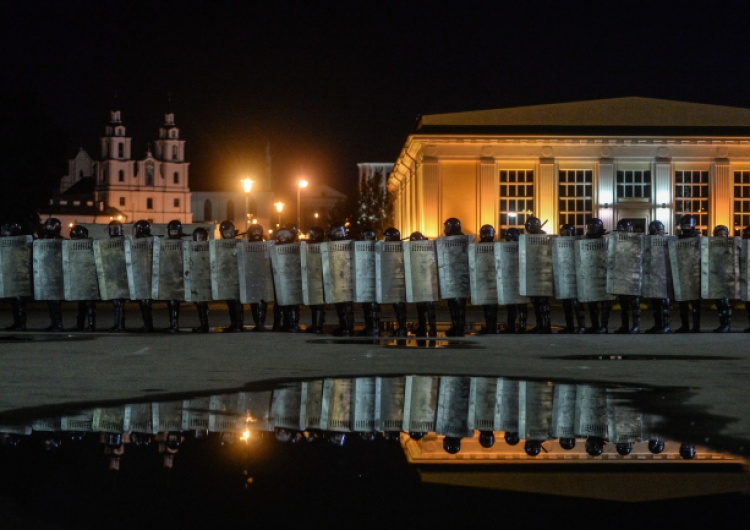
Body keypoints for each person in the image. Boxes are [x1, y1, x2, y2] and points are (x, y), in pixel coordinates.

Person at [613, 219, 641, 334]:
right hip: (621, 274)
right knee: (623, 304)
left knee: (634, 303)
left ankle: (636, 326)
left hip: (633, 275)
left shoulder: (637, 240)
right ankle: (625, 325)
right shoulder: (616, 240)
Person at [524, 216, 551, 334]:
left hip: (543, 275)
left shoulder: (545, 239)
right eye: (528, 226)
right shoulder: (527, 239)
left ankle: (546, 325)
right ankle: (540, 324)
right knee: (535, 302)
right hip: (532, 274)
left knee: (543, 302)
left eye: (531, 226)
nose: (529, 228)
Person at [584, 218, 611, 334]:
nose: (591, 229)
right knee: (592, 302)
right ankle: (595, 325)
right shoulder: (584, 240)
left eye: (593, 227)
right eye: (589, 227)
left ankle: (604, 326)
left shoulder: (608, 239)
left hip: (605, 274)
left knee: (605, 303)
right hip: (590, 273)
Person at [557, 224, 586, 334]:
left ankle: (581, 326)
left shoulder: (579, 241)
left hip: (577, 276)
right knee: (566, 305)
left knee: (577, 305)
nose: (563, 233)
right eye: (562, 231)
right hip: (565, 277)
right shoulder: (559, 243)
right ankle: (569, 326)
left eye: (565, 231)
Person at [328, 223, 355, 336]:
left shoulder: (349, 244)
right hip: (339, 276)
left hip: (346, 276)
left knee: (346, 304)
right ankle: (344, 326)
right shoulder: (332, 245)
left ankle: (347, 327)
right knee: (340, 304)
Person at [675, 215, 701, 333]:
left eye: (688, 225)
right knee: (682, 303)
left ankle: (696, 326)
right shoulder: (677, 239)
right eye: (684, 225)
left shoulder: (699, 240)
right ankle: (685, 325)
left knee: (695, 304)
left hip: (696, 274)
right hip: (682, 273)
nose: (686, 228)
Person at [442, 217, 467, 336]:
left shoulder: (461, 240)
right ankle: (455, 325)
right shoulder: (447, 240)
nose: (445, 229)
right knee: (452, 303)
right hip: (451, 275)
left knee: (458, 304)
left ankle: (460, 326)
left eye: (447, 226)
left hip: (459, 276)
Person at [645, 220, 671, 334]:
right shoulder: (647, 241)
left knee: (665, 304)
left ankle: (666, 325)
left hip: (665, 275)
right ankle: (657, 324)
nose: (662, 232)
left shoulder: (668, 241)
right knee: (655, 304)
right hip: (653, 275)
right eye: (659, 230)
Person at [68, 224, 96, 332]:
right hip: (79, 276)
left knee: (89, 304)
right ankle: (80, 325)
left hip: (89, 277)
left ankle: (91, 325)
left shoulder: (91, 244)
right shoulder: (73, 245)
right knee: (81, 304)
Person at [409, 231, 437, 337]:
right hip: (421, 282)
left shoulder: (429, 249)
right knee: (420, 307)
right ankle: (423, 327)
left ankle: (432, 328)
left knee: (429, 307)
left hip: (428, 282)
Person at [39, 217, 65, 331]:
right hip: (47, 272)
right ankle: (54, 322)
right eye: (47, 226)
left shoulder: (61, 241)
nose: (48, 228)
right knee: (50, 300)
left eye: (50, 226)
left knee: (55, 300)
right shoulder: (42, 241)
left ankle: (58, 323)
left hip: (57, 273)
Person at [1, 222, 28, 331]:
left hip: (20, 275)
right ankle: (17, 323)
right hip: (10, 274)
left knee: (19, 302)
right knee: (14, 303)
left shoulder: (21, 241)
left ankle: (21, 324)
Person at [220, 220, 244, 332]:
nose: (227, 234)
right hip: (227, 276)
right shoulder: (220, 245)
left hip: (238, 275)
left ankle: (238, 324)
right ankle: (234, 323)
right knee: (230, 301)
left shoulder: (239, 243)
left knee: (236, 302)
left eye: (229, 232)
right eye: (225, 232)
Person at [502, 228, 528, 333]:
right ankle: (521, 326)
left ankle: (512, 326)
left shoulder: (507, 247)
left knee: (512, 306)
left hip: (513, 279)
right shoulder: (524, 247)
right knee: (520, 306)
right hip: (521, 280)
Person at [383, 227, 408, 337]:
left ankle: (402, 328)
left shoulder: (398, 249)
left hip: (398, 280)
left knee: (399, 306)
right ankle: (401, 327)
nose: (385, 240)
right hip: (395, 280)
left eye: (387, 238)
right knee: (397, 305)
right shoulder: (397, 248)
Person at [246, 223, 269, 332]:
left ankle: (261, 323)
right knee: (253, 300)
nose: (256, 234)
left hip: (263, 275)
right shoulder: (246, 246)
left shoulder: (265, 246)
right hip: (251, 275)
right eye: (254, 231)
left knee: (262, 300)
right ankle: (257, 322)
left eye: (258, 231)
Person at [133, 219, 155, 332]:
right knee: (144, 301)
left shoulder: (139, 241)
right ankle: (147, 324)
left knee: (144, 301)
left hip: (143, 274)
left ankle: (148, 325)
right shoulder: (154, 240)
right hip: (149, 274)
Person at [358, 228, 380, 337]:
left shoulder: (378, 248)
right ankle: (372, 327)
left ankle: (373, 328)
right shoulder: (377, 247)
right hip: (370, 281)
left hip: (372, 281)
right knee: (368, 306)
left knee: (371, 306)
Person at [163, 219, 184, 333]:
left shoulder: (183, 243)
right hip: (170, 276)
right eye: (172, 231)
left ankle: (174, 325)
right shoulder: (165, 243)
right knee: (171, 301)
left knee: (173, 301)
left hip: (179, 276)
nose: (174, 233)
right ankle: (173, 324)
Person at [478, 224, 499, 334]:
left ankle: (491, 327)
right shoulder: (497, 246)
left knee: (488, 306)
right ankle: (491, 326)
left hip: (486, 279)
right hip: (491, 279)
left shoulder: (478, 247)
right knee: (489, 306)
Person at [305, 226, 326, 334]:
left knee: (318, 304)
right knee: (315, 303)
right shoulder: (310, 246)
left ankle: (317, 326)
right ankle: (316, 324)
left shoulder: (322, 247)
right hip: (314, 276)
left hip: (319, 277)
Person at [107, 219, 127, 332]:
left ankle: (120, 324)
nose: (114, 231)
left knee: (118, 303)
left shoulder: (125, 241)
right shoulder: (109, 243)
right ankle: (118, 324)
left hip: (121, 276)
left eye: (115, 229)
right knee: (116, 302)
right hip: (114, 275)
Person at [712, 224, 732, 333]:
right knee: (719, 302)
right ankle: (723, 324)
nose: (723, 236)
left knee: (725, 302)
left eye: (725, 234)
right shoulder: (712, 245)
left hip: (728, 276)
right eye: (720, 234)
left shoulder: (731, 245)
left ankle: (726, 325)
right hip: (717, 275)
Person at [191, 227, 210, 333]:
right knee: (200, 303)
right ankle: (204, 324)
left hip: (204, 277)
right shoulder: (193, 248)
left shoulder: (209, 247)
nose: (201, 239)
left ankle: (204, 325)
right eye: (199, 237)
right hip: (198, 277)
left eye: (202, 237)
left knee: (202, 303)